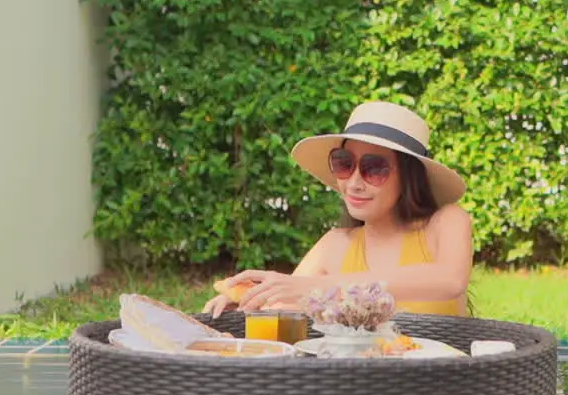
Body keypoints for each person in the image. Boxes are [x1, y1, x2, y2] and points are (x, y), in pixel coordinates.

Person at [203, 101, 474, 318]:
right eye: (344, 163)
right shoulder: (334, 245)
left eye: (374, 168)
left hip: (438, 385)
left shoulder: (446, 221)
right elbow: (290, 309)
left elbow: (450, 279)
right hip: (354, 384)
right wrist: (247, 304)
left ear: (409, 176)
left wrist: (317, 287)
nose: (354, 183)